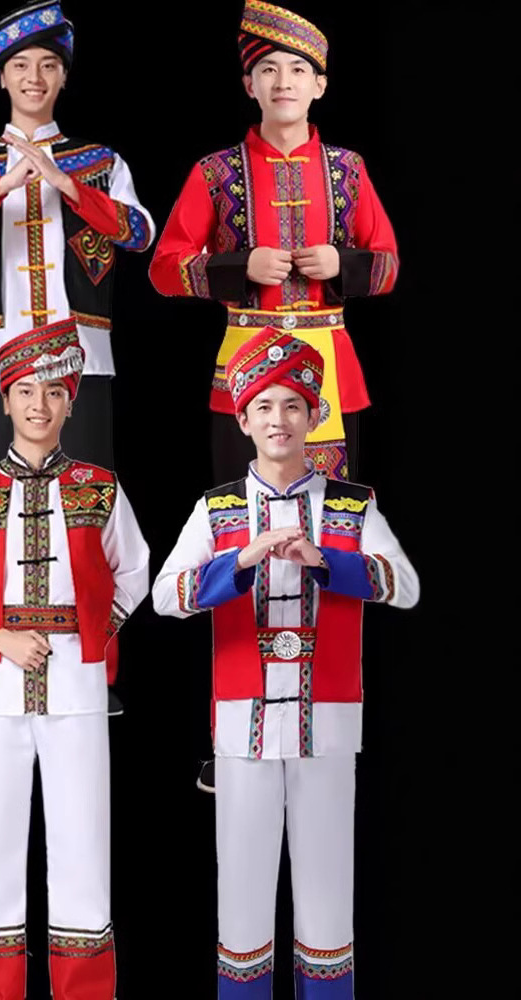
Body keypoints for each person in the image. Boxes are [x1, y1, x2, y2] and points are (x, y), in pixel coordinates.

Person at [152, 326, 418, 998]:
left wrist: (326, 561)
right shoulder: (215, 509)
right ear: (243, 419)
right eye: (264, 406)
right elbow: (164, 597)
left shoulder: (353, 504)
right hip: (241, 729)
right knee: (242, 903)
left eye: (293, 405)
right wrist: (239, 562)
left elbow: (406, 587)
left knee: (327, 902)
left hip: (327, 726)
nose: (279, 419)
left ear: (315, 416)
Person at [0, 318, 149, 999]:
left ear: (71, 403)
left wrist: (94, 636)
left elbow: (135, 571)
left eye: (53, 392)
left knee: (83, 847)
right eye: (25, 391)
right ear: (4, 400)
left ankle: (85, 992)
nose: (38, 405)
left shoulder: (101, 488)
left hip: (78, 688)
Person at [149, 0, 398, 486]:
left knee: (329, 514)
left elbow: (388, 266)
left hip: (331, 367)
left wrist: (341, 262)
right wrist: (238, 267)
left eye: (298, 70)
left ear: (319, 85)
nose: (284, 81)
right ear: (250, 85)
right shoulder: (214, 172)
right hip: (243, 365)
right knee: (243, 510)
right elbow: (163, 269)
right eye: (268, 69)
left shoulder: (349, 169)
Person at [0, 1, 154, 471]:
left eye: (48, 65)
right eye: (20, 65)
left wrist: (69, 185)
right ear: (2, 77)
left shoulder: (98, 160)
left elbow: (140, 232)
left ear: (64, 77)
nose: (34, 77)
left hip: (82, 357)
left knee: (84, 494)